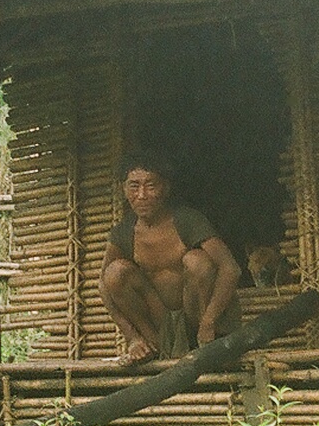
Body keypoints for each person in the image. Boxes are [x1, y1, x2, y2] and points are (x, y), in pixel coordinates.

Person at [100, 150, 242, 362]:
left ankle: (206, 343)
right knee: (115, 272)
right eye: (134, 186)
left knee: (196, 260)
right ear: (124, 189)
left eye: (150, 185)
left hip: (199, 319)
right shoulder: (124, 232)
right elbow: (104, 285)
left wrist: (209, 322)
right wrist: (132, 337)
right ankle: (152, 347)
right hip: (160, 327)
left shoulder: (187, 220)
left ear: (165, 188)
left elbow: (230, 268)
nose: (141, 195)